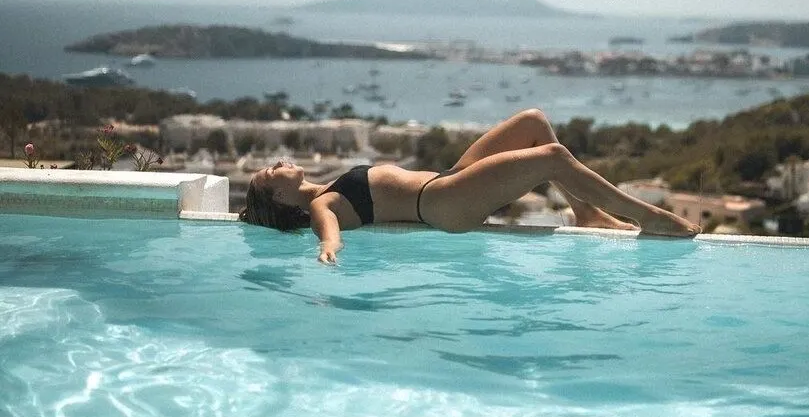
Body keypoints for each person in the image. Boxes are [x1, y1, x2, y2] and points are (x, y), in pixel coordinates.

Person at [239, 108, 700, 262]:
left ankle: (588, 212)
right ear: (279, 195)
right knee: (553, 158)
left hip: (448, 180)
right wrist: (328, 249)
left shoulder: (327, 186)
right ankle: (650, 217)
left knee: (533, 122)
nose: (275, 163)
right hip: (444, 204)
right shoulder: (324, 205)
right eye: (269, 172)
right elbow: (329, 234)